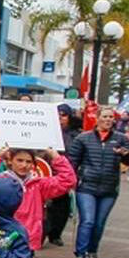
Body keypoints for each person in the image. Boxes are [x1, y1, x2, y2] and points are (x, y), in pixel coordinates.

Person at [67, 109, 129, 258]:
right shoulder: (83, 138)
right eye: (105, 116)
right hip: (86, 186)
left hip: (109, 188)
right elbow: (73, 161)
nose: (108, 119)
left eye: (111, 117)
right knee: (88, 220)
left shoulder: (121, 138)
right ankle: (80, 253)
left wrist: (125, 154)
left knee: (99, 223)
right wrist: (71, 180)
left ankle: (93, 250)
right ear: (97, 118)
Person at [44, 104, 82, 247]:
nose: (60, 118)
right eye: (57, 114)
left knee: (61, 207)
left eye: (64, 115)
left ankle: (55, 234)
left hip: (63, 174)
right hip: (45, 173)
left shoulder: (76, 135)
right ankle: (41, 233)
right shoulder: (45, 131)